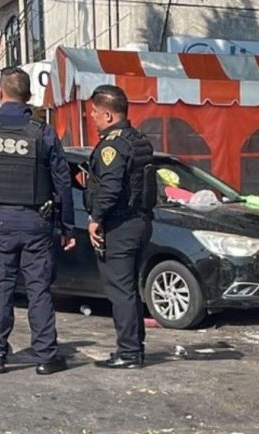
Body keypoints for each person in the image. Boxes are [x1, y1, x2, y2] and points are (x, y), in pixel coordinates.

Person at [0, 67, 76, 375]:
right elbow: (62, 181)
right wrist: (66, 225)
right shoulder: (42, 131)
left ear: (0, 93)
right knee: (39, 289)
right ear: (29, 95)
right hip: (36, 220)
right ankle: (45, 356)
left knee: (0, 288)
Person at [87, 85, 155, 370]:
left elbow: (112, 188)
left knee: (121, 291)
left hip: (121, 225)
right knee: (130, 290)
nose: (91, 117)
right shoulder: (137, 139)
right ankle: (134, 347)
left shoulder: (113, 146)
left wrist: (95, 218)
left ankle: (128, 353)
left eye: (94, 112)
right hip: (140, 221)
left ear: (108, 115)